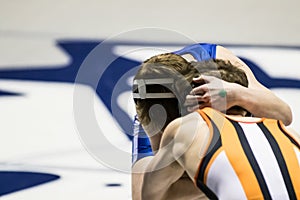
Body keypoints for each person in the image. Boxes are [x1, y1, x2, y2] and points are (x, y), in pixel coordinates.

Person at [132, 56, 300, 199]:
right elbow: (285, 116)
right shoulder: (290, 135)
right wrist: (236, 95)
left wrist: (211, 182)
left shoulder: (185, 129)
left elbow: (148, 195)